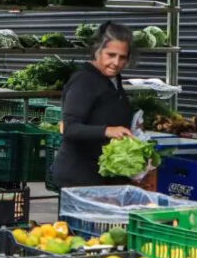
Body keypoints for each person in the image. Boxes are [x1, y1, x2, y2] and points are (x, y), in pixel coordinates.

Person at [51, 21, 135, 188]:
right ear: (97, 51)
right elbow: (69, 128)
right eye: (111, 55)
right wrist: (108, 131)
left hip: (102, 173)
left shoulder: (113, 78)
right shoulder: (84, 80)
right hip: (79, 176)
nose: (116, 62)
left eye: (122, 57)